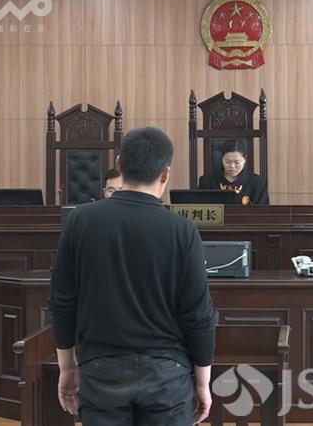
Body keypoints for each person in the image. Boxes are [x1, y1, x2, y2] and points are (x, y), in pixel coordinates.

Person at [49, 127, 216, 425]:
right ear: (165, 173)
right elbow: (198, 314)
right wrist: (203, 382)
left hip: (101, 370)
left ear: (119, 165)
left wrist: (67, 367)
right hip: (168, 374)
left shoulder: (80, 221)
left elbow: (62, 301)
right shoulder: (182, 230)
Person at [198, 140, 269, 205]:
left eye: (237, 162)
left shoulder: (258, 183)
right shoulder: (207, 181)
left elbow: (263, 212)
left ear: (245, 159)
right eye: (228, 162)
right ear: (222, 159)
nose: (232, 166)